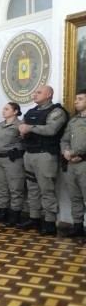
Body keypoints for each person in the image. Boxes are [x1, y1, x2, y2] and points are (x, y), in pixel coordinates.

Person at [17, 85, 67, 234]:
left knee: (47, 189)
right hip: (29, 153)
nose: (35, 94)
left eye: (38, 92)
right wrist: (22, 129)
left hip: (45, 155)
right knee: (32, 189)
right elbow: (22, 124)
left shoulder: (57, 112)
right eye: (34, 92)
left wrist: (29, 128)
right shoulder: (32, 111)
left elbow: (51, 130)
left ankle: (50, 222)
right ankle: (34, 218)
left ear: (49, 94)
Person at [0, 102, 25, 226]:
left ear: (15, 111)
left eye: (7, 109)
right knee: (1, 188)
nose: (3, 111)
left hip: (12, 160)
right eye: (3, 108)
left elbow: (25, 139)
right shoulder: (1, 125)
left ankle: (15, 215)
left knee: (15, 188)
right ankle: (3, 213)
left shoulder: (20, 125)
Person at [62, 88, 86, 240]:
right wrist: (66, 151)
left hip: (84, 163)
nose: (76, 101)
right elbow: (64, 140)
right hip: (72, 164)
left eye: (80, 99)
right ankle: (78, 226)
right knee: (75, 196)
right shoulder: (73, 121)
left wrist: (80, 153)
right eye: (76, 98)